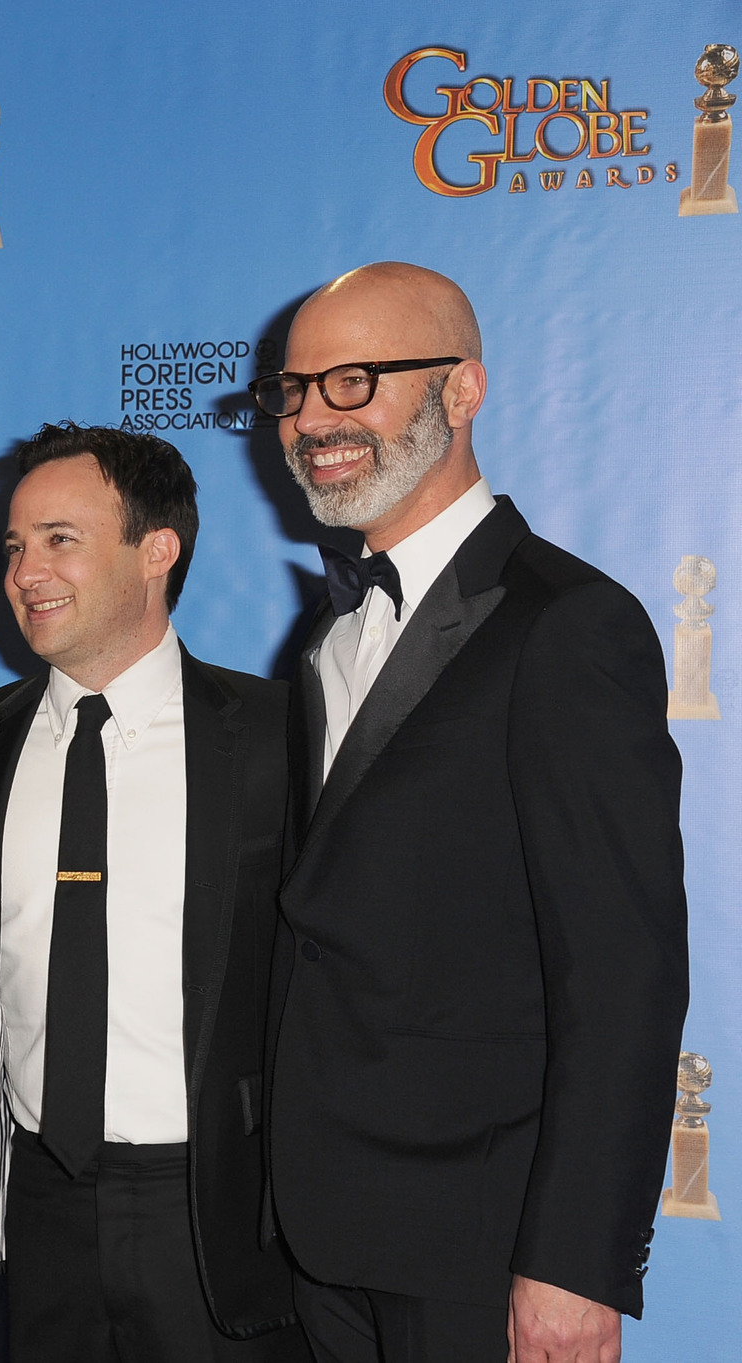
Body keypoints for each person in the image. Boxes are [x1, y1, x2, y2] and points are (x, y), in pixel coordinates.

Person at [259, 262, 689, 1363]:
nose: (313, 418)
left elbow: (620, 973)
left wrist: (573, 1262)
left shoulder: (569, 625)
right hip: (319, 1232)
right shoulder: (321, 638)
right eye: (295, 390)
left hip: (481, 1244)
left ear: (461, 391)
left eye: (353, 381)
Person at [0, 423, 309, 1361]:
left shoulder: (280, 737)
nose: (25, 572)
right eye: (15, 546)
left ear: (158, 550)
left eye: (60, 538)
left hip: (216, 1212)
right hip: (39, 1202)